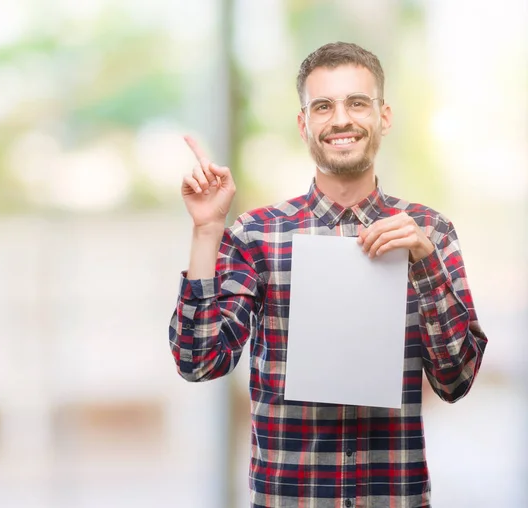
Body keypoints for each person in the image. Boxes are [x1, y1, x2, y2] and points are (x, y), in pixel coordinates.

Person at [168, 42, 487, 508]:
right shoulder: (257, 234)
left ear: (384, 116)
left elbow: (456, 381)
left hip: (394, 497)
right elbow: (198, 361)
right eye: (323, 106)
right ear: (304, 124)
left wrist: (426, 266)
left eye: (357, 103)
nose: (341, 120)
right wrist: (206, 230)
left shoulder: (430, 232)